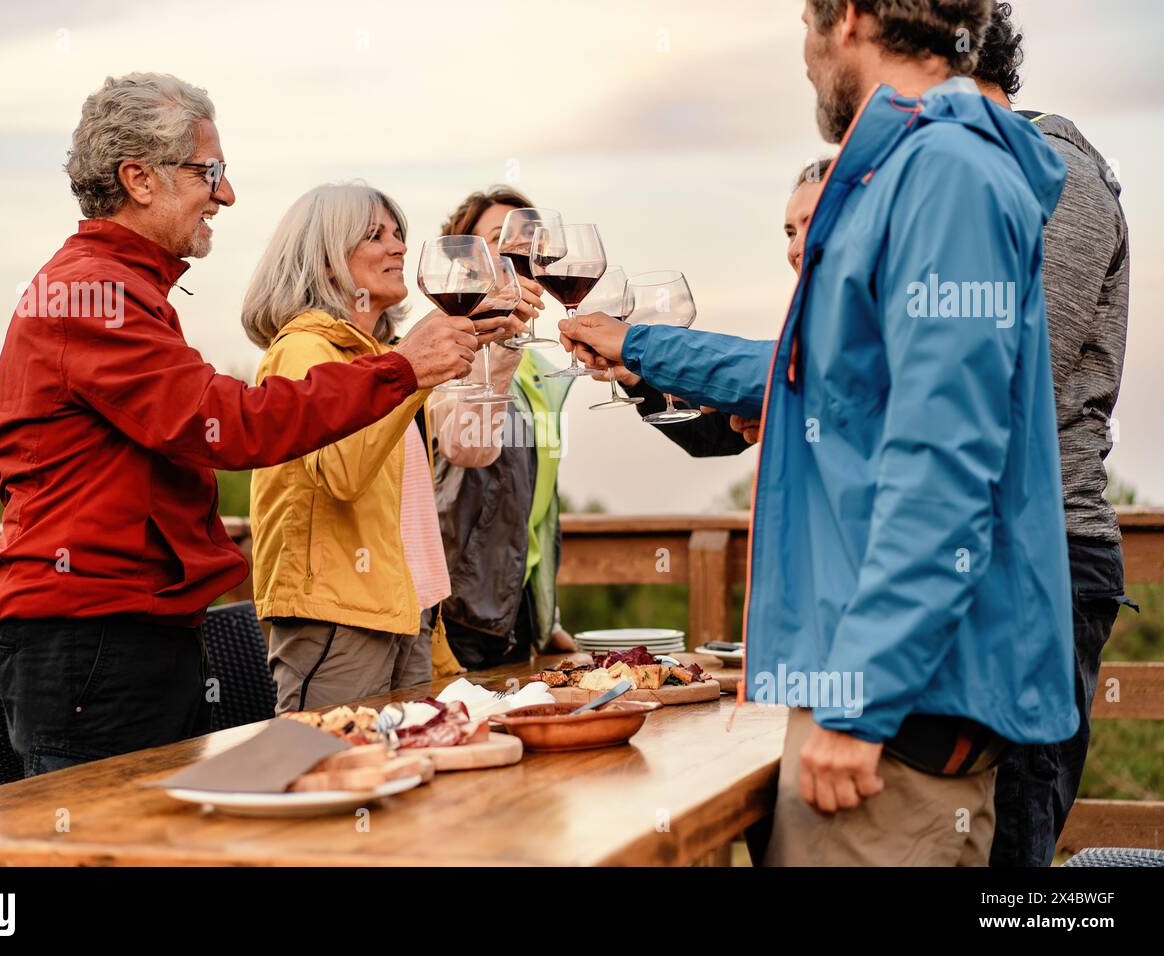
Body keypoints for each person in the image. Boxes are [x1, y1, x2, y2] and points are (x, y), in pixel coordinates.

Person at [560, 0, 1076, 866]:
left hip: (896, 734)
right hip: (883, 713)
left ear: (848, 18)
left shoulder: (942, 174)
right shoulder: (910, 175)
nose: (803, 58)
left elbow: (943, 468)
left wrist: (860, 702)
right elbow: (818, 382)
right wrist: (644, 349)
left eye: (805, 24)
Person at [0, 74, 476, 776]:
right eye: (208, 172)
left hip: (128, 631)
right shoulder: (92, 293)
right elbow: (227, 425)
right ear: (139, 179)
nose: (226, 193)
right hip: (95, 636)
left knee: (165, 841)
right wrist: (400, 372)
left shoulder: (121, 287)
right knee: (108, 848)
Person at [245, 183, 522, 711]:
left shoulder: (382, 356)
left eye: (398, 234)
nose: (397, 246)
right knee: (336, 777)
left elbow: (459, 459)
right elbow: (345, 473)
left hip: (406, 617)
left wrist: (494, 346)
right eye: (375, 235)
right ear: (325, 259)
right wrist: (411, 373)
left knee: (413, 783)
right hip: (340, 621)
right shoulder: (307, 348)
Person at [972, 1, 1133, 868]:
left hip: (1047, 558)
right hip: (993, 554)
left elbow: (1006, 374)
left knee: (1012, 854)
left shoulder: (1055, 176)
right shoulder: (977, 180)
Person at [430, 187, 579, 670]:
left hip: (520, 616)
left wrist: (546, 614)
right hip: (463, 615)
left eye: (530, 240)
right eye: (499, 239)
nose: (518, 251)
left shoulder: (533, 364)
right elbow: (464, 447)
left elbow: (537, 503)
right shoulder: (440, 353)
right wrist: (488, 346)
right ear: (466, 259)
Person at [602, 159, 834, 453]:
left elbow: (776, 371)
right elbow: (711, 436)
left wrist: (634, 345)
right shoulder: (816, 324)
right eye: (791, 233)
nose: (795, 248)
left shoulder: (873, 321)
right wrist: (636, 377)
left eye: (812, 223)